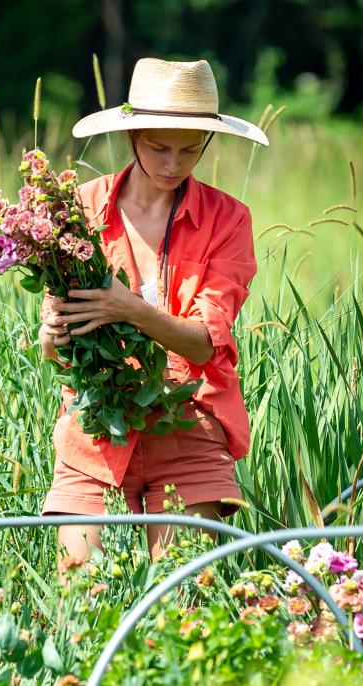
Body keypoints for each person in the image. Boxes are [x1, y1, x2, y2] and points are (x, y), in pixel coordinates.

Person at [38, 57, 269, 564]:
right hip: (93, 427)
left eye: (190, 150)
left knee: (182, 608)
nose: (172, 164)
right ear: (132, 136)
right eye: (158, 147)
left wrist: (129, 309)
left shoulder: (229, 218)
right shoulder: (78, 209)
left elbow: (207, 343)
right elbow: (56, 354)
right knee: (80, 597)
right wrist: (52, 332)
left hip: (188, 423)